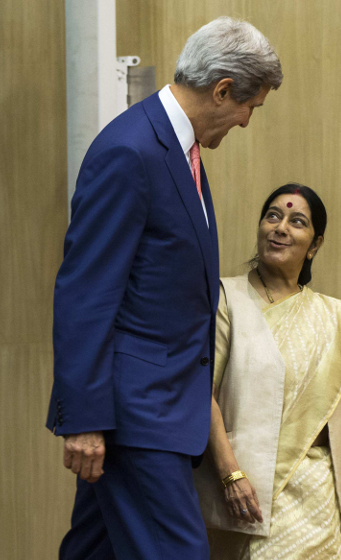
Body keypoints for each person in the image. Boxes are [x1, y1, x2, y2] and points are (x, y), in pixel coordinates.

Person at [46, 17, 282, 559]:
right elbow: (86, 291)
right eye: (251, 107)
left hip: (160, 410)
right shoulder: (131, 150)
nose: (247, 122)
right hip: (136, 417)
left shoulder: (178, 152)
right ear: (223, 90)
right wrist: (83, 420)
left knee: (94, 552)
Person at [194, 184, 341, 559]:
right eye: (273, 216)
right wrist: (231, 475)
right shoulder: (226, 300)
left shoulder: (332, 318)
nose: (281, 227)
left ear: (315, 244)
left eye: (296, 221)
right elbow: (200, 394)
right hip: (248, 487)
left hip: (318, 491)